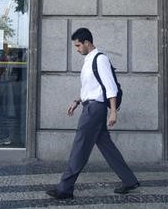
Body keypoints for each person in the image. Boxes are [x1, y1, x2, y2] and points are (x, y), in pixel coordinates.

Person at [45, 28, 140, 200]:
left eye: (78, 45)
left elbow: (110, 86)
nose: (77, 49)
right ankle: (129, 180)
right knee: (107, 147)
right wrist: (77, 101)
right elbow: (90, 88)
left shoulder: (100, 59)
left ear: (87, 43)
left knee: (79, 147)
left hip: (94, 110)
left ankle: (65, 189)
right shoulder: (88, 60)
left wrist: (113, 112)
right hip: (90, 106)